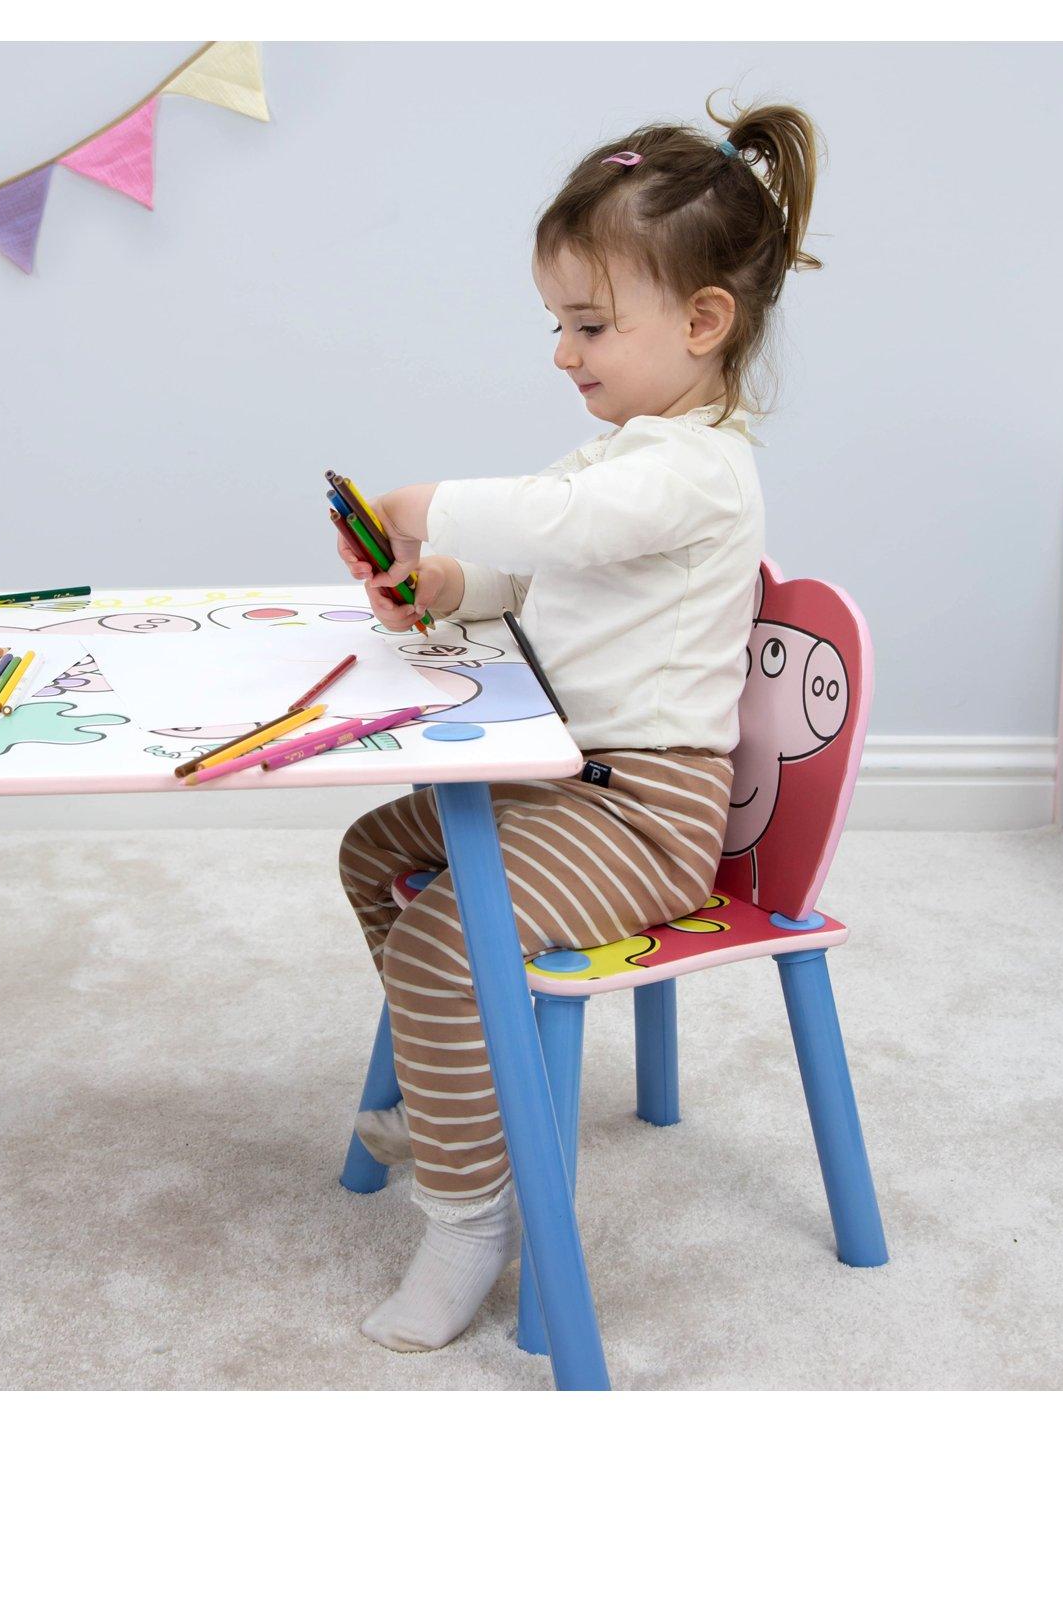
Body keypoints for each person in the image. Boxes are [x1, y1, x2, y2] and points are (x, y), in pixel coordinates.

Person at [337, 100, 821, 1352]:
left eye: (591, 324)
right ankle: (471, 1088)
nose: (563, 350)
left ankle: (471, 1208)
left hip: (644, 811)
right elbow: (539, 569)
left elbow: (564, 532)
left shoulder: (694, 468)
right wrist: (443, 584)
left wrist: (425, 506)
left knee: (449, 934)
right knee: (373, 850)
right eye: (559, 321)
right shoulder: (614, 456)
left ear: (703, 322)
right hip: (565, 779)